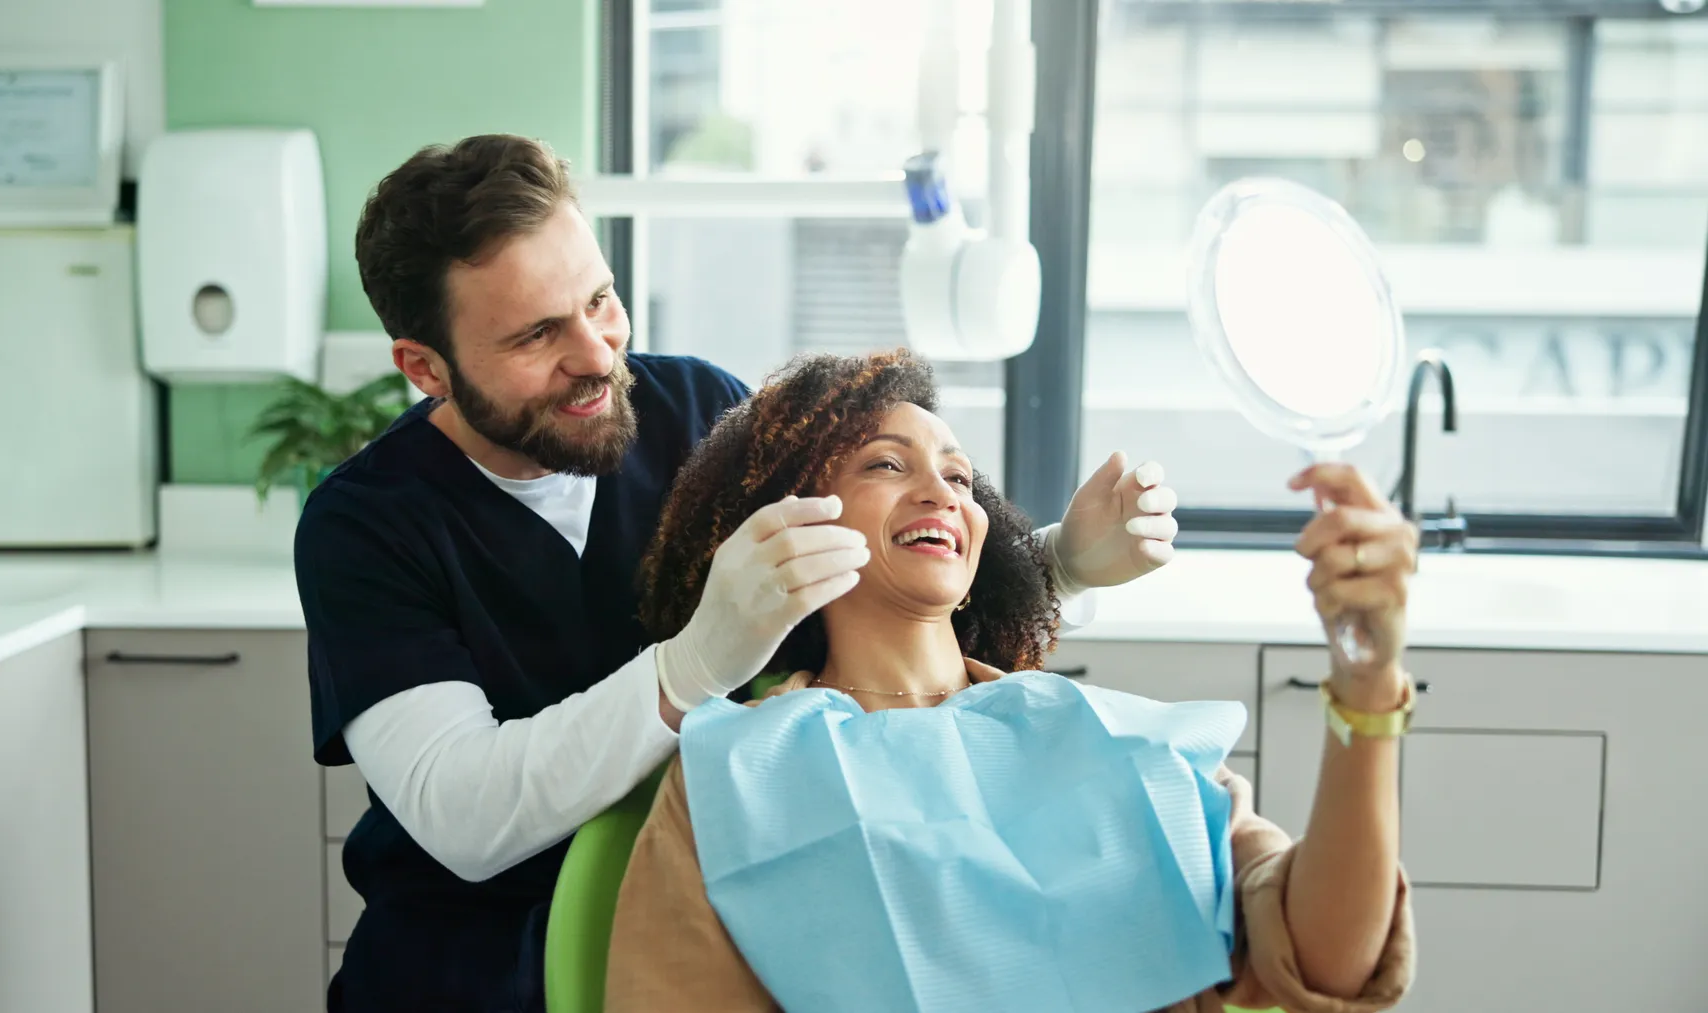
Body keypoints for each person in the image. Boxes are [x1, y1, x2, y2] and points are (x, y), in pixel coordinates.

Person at [293, 134, 1181, 1013]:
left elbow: (881, 594)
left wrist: (1061, 565)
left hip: (723, 930)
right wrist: (693, 666)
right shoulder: (365, 527)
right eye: (537, 335)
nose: (598, 355)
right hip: (470, 975)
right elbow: (465, 815)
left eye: (600, 299)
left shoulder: (698, 411)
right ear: (425, 368)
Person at [605, 350, 1416, 1013]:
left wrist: (1369, 679)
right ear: (787, 522)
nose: (939, 492)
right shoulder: (738, 774)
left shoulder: (1115, 744)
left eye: (959, 478)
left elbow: (1327, 960)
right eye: (886, 464)